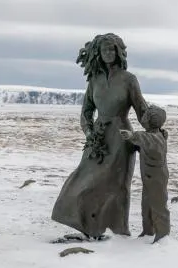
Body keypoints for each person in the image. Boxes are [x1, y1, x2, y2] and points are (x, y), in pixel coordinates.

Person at [51, 33, 147, 239]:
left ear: (119, 52)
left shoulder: (129, 80)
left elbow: (142, 111)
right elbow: (86, 111)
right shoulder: (94, 80)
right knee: (83, 180)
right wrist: (88, 131)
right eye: (104, 50)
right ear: (98, 53)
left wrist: (154, 128)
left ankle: (118, 231)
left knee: (117, 186)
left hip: (121, 137)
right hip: (97, 138)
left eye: (112, 49)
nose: (109, 53)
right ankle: (88, 225)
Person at [119, 105, 171, 243]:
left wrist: (132, 136)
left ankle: (163, 235)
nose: (143, 116)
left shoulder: (156, 138)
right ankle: (148, 231)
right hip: (149, 178)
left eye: (145, 115)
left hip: (157, 178)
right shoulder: (153, 136)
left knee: (159, 206)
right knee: (146, 206)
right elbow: (144, 144)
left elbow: (145, 139)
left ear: (149, 120)